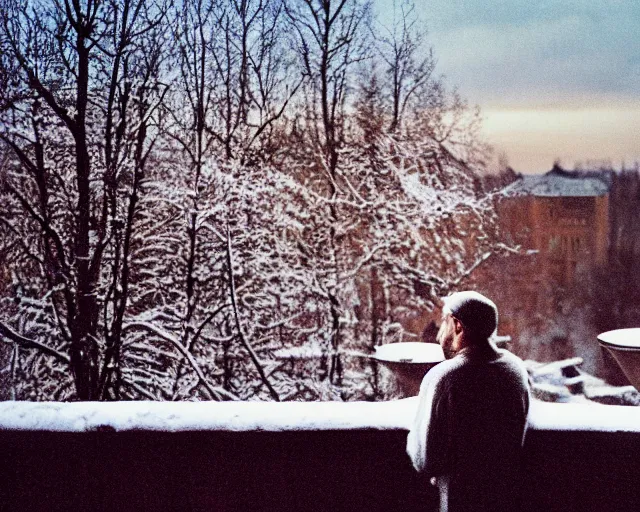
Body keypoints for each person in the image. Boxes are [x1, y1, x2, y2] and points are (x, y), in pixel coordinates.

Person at [406, 291, 530, 512]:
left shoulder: (444, 378)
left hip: (458, 503)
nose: (438, 337)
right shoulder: (515, 370)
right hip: (506, 499)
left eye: (443, 324)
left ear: (457, 325)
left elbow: (425, 460)